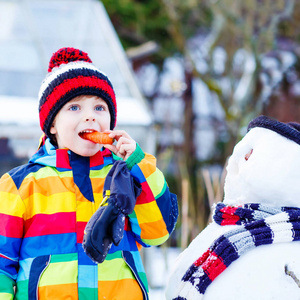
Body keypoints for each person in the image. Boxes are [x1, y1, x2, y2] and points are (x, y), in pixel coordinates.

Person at [0, 47, 178, 300]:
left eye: (99, 108)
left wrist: (139, 165)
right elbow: (1, 266)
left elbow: (158, 232)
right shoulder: (19, 185)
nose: (90, 117)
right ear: (52, 123)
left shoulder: (126, 174)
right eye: (74, 108)